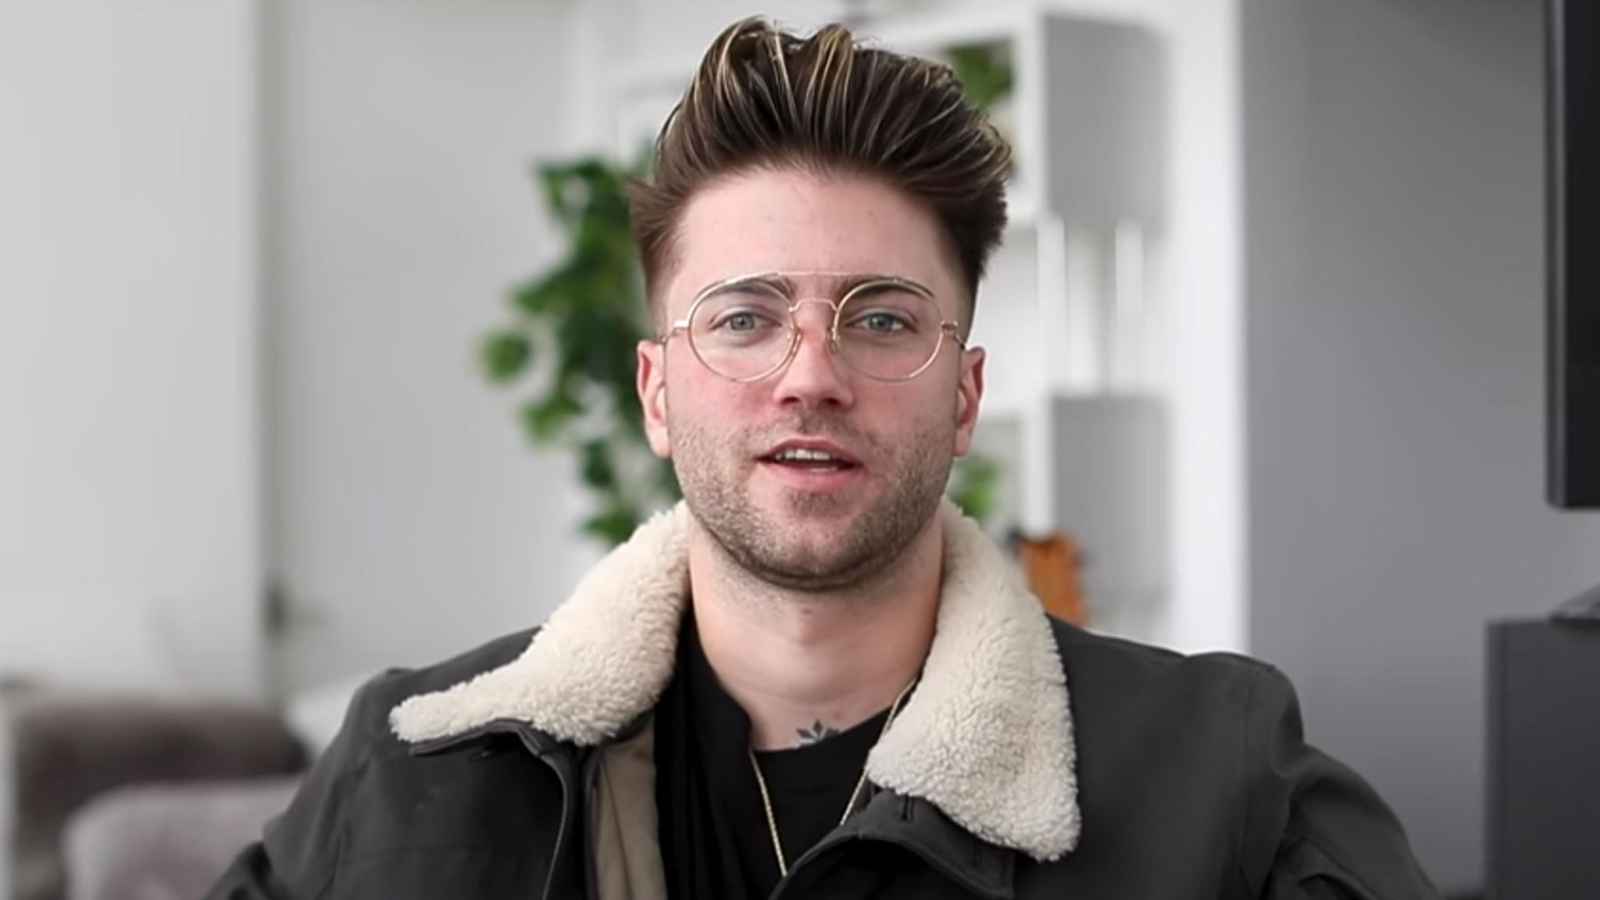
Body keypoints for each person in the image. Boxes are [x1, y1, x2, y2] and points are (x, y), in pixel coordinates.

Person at [209, 16, 1439, 900]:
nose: (811, 374)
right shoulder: (411, 769)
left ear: (963, 398)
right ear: (656, 392)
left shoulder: (1221, 779)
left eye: (883, 319)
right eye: (745, 317)